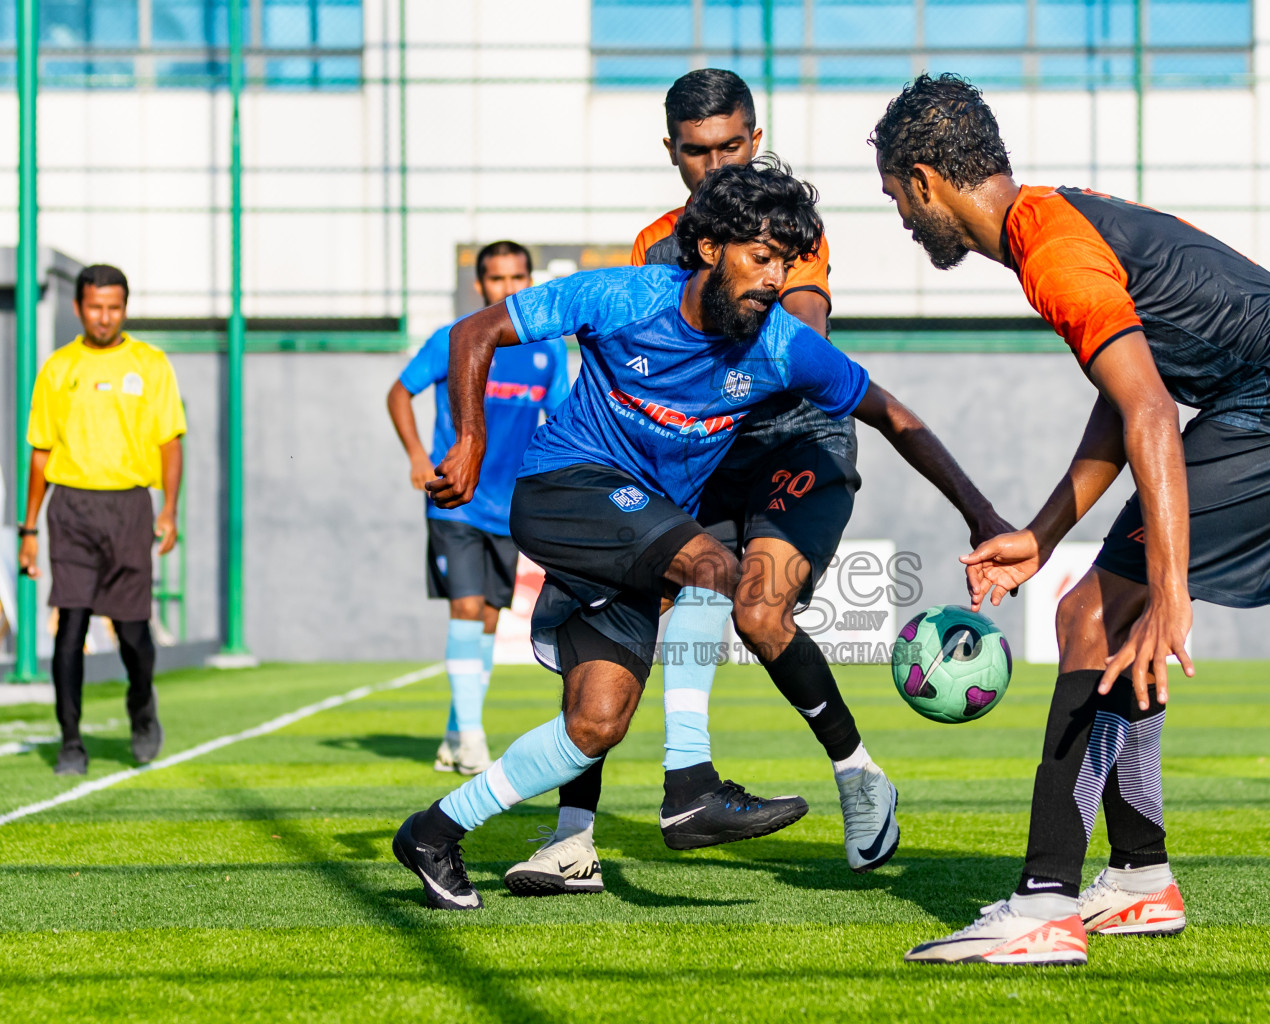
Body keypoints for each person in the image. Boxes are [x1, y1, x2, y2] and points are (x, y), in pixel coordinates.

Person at [392, 158, 1007, 910]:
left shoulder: (782, 344)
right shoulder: (623, 296)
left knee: (596, 722)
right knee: (719, 567)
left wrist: (981, 514)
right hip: (565, 489)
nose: (774, 277)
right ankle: (690, 785)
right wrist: (471, 442)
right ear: (710, 247)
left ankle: (434, 831)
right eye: (760, 257)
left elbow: (893, 415)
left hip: (638, 530)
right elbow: (477, 331)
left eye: (784, 262)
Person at [870, 75, 1270, 966]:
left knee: (1090, 620)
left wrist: (1170, 594)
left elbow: (1149, 412)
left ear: (923, 179)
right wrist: (1044, 534)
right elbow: (1125, 399)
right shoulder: (1054, 225)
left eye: (895, 201)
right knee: (1100, 618)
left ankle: (1044, 906)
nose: (904, 222)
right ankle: (1141, 879)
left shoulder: (1052, 250)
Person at [509, 69, 977, 896]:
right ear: (673, 153)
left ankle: (860, 779)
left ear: (754, 142)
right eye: (697, 151)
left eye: (730, 145)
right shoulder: (655, 244)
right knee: (626, 601)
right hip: (704, 447)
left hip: (799, 437)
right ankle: (578, 835)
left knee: (759, 608)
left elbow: (799, 336)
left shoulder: (784, 227)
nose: (714, 163)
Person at [387, 241, 569, 775]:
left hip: (508, 507)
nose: (507, 289)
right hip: (454, 502)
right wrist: (419, 456)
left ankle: (454, 730)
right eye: (496, 279)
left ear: (528, 280)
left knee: (487, 621)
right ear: (480, 284)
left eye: (517, 278)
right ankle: (472, 740)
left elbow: (557, 422)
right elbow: (399, 393)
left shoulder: (548, 349)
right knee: (466, 609)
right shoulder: (455, 338)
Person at [19, 264, 187, 776]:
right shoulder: (57, 368)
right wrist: (28, 530)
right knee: (69, 627)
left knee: (133, 635)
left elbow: (170, 443)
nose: (104, 317)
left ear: (125, 308)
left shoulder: (151, 363)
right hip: (69, 511)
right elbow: (41, 454)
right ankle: (71, 743)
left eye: (114, 307)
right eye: (95, 307)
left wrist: (169, 510)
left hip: (130, 509)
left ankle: (142, 709)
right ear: (78, 308)